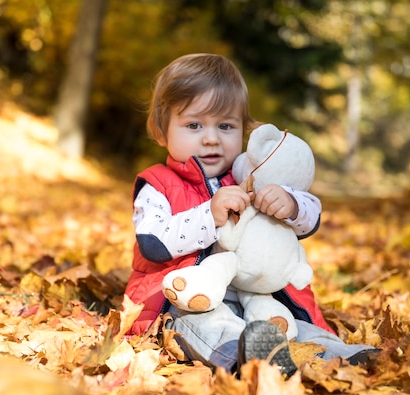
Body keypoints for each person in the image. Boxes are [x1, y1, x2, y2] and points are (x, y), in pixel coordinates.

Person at [124, 53, 375, 376]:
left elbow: (310, 218)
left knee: (292, 324)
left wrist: (291, 203)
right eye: (194, 125)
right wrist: (208, 215)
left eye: (226, 126)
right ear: (162, 131)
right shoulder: (157, 184)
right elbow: (153, 243)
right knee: (203, 324)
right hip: (188, 298)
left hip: (256, 294)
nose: (211, 138)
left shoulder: (251, 173)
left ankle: (342, 356)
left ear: (243, 130)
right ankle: (242, 356)